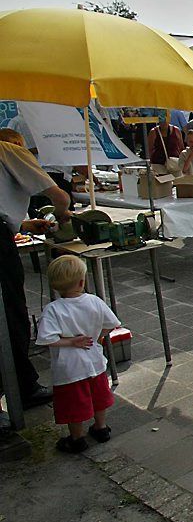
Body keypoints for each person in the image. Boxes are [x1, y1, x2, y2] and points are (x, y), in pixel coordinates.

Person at [0, 137, 71, 414]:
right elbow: (60, 197)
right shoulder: (9, 151)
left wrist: (26, 224)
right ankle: (23, 387)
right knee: (11, 311)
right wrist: (62, 213)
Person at [35, 256, 120, 453]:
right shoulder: (94, 301)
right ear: (82, 281)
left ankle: (77, 437)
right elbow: (112, 323)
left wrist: (71, 342)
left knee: (74, 403)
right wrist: (97, 336)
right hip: (94, 361)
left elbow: (47, 338)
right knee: (98, 396)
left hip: (70, 367)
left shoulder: (53, 309)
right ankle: (101, 427)